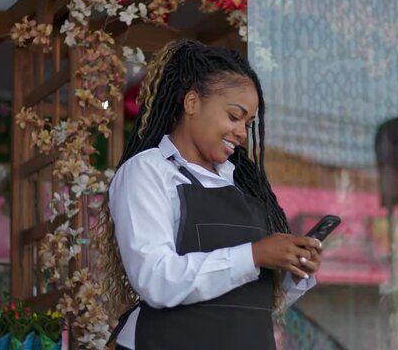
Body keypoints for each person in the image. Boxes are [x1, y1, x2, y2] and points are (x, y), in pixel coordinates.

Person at [102, 39, 322, 350]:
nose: (242, 133)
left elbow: (252, 306)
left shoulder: (245, 185)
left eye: (248, 124)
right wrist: (256, 254)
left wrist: (293, 272)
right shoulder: (148, 171)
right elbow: (156, 280)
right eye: (234, 116)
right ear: (192, 103)